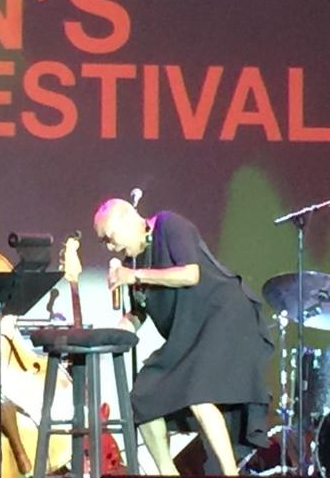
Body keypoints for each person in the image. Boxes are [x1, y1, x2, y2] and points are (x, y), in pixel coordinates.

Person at [96, 198, 273, 475]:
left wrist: (134, 275)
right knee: (144, 396)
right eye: (103, 242)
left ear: (128, 219)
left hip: (221, 316)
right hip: (187, 334)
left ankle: (230, 473)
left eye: (110, 237)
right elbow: (140, 310)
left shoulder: (168, 224)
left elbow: (190, 274)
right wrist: (121, 327)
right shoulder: (135, 262)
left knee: (198, 391)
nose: (110, 246)